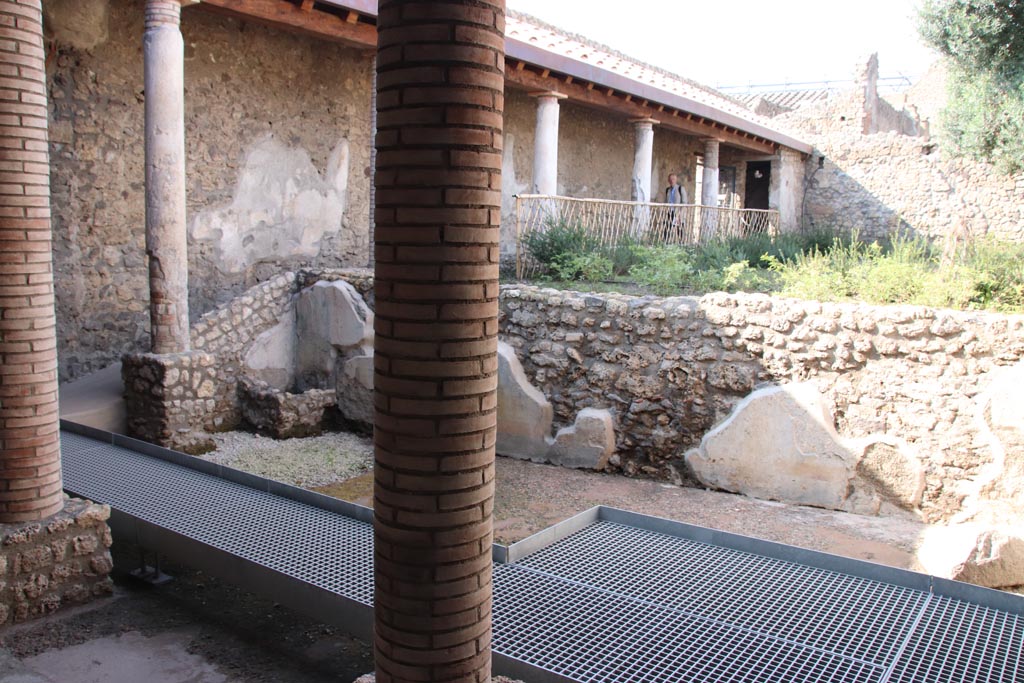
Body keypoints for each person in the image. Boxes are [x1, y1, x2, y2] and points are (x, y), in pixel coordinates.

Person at [662, 173, 687, 241]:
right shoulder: (668, 190)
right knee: (667, 227)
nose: (671, 181)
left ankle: (681, 242)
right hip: (670, 211)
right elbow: (666, 200)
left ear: (676, 180)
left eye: (673, 179)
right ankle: (665, 242)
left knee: (679, 228)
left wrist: (680, 214)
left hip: (678, 212)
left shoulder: (680, 189)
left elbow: (684, 202)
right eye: (670, 179)